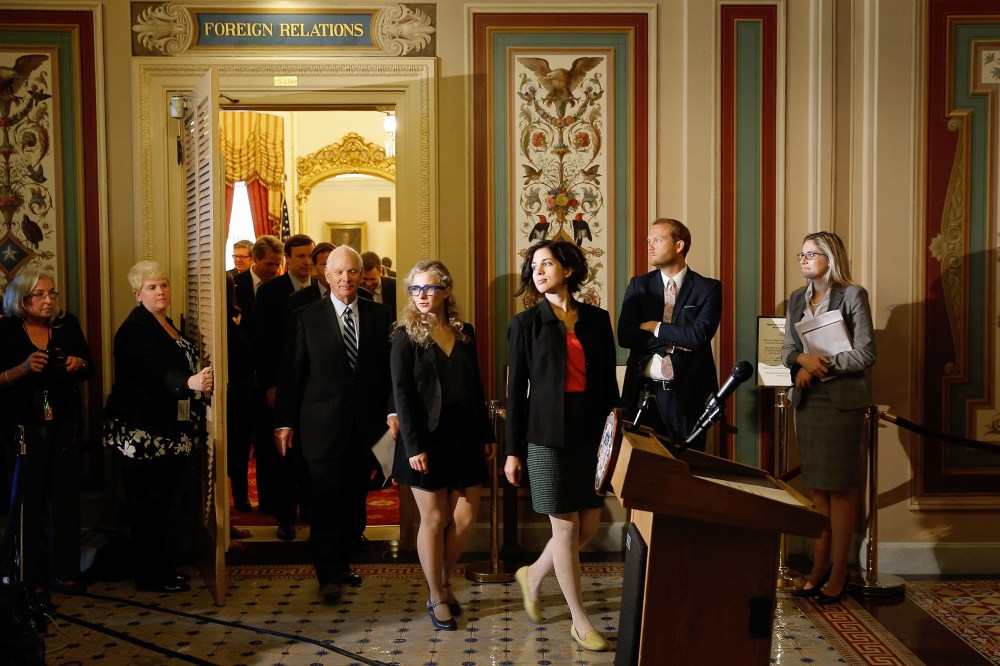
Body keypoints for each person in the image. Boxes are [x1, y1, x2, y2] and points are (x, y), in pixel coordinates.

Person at [504, 239, 619, 652]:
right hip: (546, 436)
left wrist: (613, 435)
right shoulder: (525, 324)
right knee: (567, 527)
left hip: (590, 432)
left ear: (567, 270)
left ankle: (533, 575)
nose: (538, 271)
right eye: (533, 266)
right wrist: (512, 450)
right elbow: (516, 391)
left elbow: (608, 385)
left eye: (546, 263)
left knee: (587, 525)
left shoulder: (597, 319)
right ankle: (579, 618)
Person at [273, 246, 396, 604]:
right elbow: (291, 373)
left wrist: (391, 413)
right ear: (326, 276)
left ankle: (341, 565)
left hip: (365, 429)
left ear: (362, 275)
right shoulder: (305, 316)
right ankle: (327, 575)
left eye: (352, 272)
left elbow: (390, 373)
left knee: (355, 505)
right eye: (338, 272)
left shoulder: (380, 314)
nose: (346, 279)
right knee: (326, 503)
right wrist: (284, 421)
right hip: (321, 429)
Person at [390, 260, 497, 631]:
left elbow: (476, 386)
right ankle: (437, 594)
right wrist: (414, 445)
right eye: (415, 289)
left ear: (446, 291)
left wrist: (486, 433)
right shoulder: (404, 336)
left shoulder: (463, 331)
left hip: (465, 434)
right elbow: (402, 395)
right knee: (434, 519)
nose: (422, 296)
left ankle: (441, 580)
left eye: (430, 288)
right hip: (426, 438)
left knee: (465, 517)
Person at [102, 260, 214, 593]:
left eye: (163, 284)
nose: (160, 291)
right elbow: (150, 369)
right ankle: (151, 576)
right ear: (138, 294)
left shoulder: (167, 323)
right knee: (148, 507)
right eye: (152, 287)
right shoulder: (135, 329)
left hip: (168, 431)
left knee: (164, 505)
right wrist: (188, 381)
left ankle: (163, 570)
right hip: (142, 433)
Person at [782, 231, 875, 605]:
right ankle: (817, 568)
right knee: (817, 489)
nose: (804, 259)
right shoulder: (795, 299)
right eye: (801, 254)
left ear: (830, 257)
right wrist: (800, 361)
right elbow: (789, 347)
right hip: (806, 402)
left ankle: (839, 571)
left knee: (840, 489)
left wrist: (818, 366)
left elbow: (866, 353)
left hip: (840, 402)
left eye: (812, 254)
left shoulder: (852, 294)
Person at [0, 269, 93, 593]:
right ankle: (28, 575)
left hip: (63, 423)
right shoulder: (6, 329)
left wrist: (76, 364)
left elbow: (88, 365)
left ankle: (66, 572)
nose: (48, 300)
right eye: (40, 294)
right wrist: (22, 370)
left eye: (51, 293)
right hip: (22, 427)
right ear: (22, 300)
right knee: (27, 500)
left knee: (65, 500)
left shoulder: (67, 325)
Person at [617, 218, 722, 451]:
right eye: (648, 241)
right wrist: (676, 340)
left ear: (679, 245)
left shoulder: (708, 288)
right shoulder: (639, 286)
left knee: (686, 470)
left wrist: (655, 326)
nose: (649, 246)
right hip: (643, 393)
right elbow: (625, 336)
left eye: (657, 240)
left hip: (688, 396)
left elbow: (698, 337)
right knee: (642, 470)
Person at [253, 234, 315, 540]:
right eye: (300, 256)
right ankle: (285, 517)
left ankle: (309, 509)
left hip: (313, 389)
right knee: (282, 454)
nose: (306, 262)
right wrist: (270, 384)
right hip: (281, 384)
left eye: (310, 256)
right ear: (287, 260)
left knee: (308, 453)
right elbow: (263, 342)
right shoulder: (270, 292)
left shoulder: (319, 291)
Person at [361, 251, 397, 319]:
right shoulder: (356, 288)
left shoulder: (394, 286)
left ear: (380, 271)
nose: (368, 283)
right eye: (364, 279)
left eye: (372, 279)